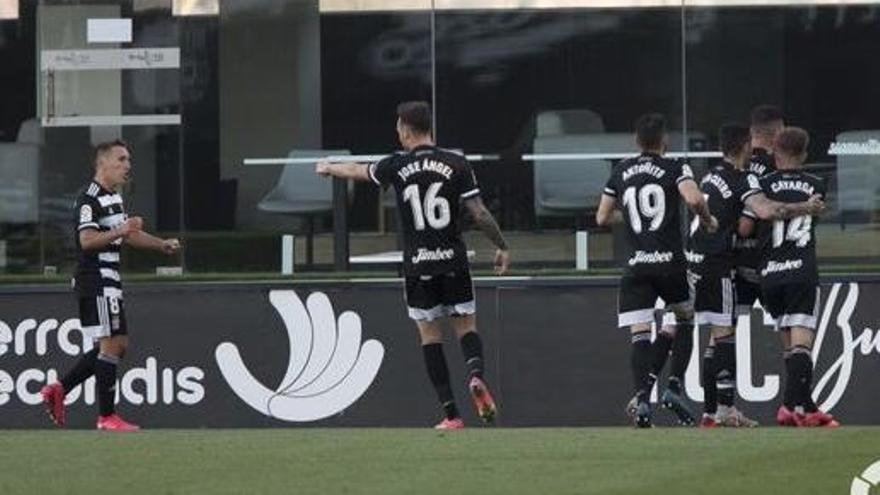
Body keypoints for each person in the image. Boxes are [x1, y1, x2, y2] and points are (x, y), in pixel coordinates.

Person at [316, 101, 509, 429]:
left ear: (405, 130)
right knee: (466, 327)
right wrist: (501, 246)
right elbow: (479, 212)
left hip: (419, 266)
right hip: (453, 260)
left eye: (397, 127)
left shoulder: (396, 164)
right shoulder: (456, 163)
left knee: (430, 337)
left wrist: (329, 167)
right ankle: (475, 376)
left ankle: (451, 415)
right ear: (429, 128)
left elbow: (360, 170)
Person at [688, 124, 824, 427]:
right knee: (724, 336)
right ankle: (726, 411)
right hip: (722, 263)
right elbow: (764, 213)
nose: (755, 150)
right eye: (751, 144)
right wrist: (806, 207)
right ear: (744, 146)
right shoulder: (744, 177)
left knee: (717, 335)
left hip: (697, 260)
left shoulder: (711, 174)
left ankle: (712, 412)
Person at [40, 139, 181, 432]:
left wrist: (160, 244)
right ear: (102, 162)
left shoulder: (113, 197)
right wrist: (121, 229)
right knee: (111, 345)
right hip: (96, 279)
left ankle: (60, 389)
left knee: (117, 345)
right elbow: (87, 241)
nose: (127, 165)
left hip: (110, 280)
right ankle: (106, 417)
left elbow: (127, 235)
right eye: (121, 159)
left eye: (128, 160)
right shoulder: (88, 198)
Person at [596, 113, 716, 428]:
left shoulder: (621, 170)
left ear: (636, 140)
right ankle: (674, 385)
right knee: (685, 317)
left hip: (636, 266)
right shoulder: (675, 166)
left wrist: (635, 223)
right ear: (664, 140)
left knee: (639, 335)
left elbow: (601, 218)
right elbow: (693, 198)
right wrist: (706, 218)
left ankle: (642, 400)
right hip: (670, 264)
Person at [752, 127, 838, 427]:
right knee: (802, 346)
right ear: (804, 153)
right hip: (801, 271)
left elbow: (748, 227)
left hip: (770, 275)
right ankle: (791, 406)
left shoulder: (761, 185)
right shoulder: (817, 185)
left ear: (775, 151)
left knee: (790, 348)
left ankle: (807, 408)